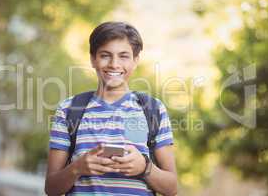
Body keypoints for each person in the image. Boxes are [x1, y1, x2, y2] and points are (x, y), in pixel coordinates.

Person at [45, 21, 177, 196]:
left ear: (135, 60)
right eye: (105, 55)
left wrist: (145, 167)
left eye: (123, 56)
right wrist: (77, 167)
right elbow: (51, 188)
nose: (114, 64)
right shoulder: (69, 109)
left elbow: (172, 188)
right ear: (93, 59)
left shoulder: (153, 109)